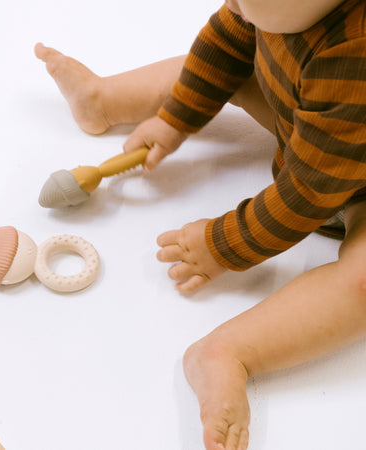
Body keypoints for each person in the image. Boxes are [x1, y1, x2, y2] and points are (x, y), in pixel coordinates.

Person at [34, 0, 366, 448]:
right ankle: (102, 100)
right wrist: (174, 119)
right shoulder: (278, 9)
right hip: (314, 131)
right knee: (219, 67)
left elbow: (306, 196)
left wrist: (224, 244)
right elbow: (226, 42)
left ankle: (229, 353)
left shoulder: (355, 54)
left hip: (345, 180)